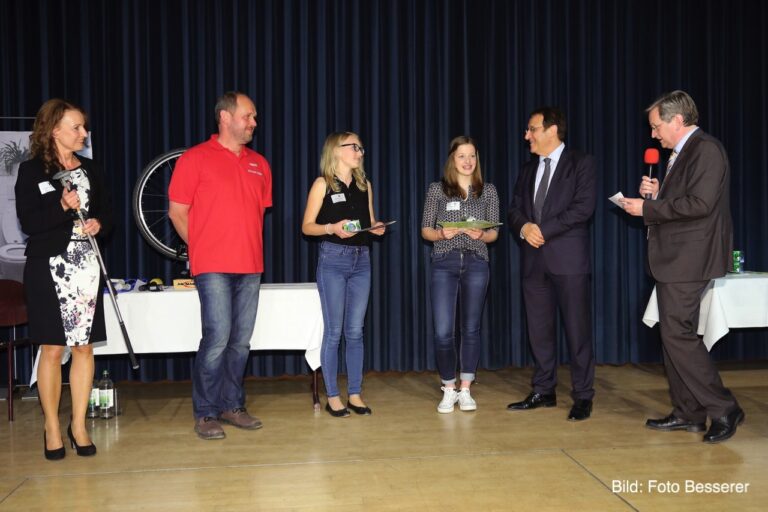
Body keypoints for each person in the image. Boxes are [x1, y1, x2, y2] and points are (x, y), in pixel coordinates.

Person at [620, 90, 743, 443]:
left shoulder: (706, 149)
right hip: (676, 258)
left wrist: (647, 209)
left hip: (691, 258)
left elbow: (700, 204)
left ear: (677, 120)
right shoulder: (684, 152)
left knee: (678, 334)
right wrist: (657, 195)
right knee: (673, 334)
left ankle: (724, 408)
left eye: (656, 126)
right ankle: (689, 412)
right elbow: (685, 202)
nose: (653, 134)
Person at [169, 91, 272, 440]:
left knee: (240, 342)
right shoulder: (195, 159)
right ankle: (206, 412)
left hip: (251, 264)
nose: (254, 122)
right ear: (225, 117)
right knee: (217, 338)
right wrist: (201, 248)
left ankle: (232, 405)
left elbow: (257, 213)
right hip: (212, 265)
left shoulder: (260, 163)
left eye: (254, 117)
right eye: (248, 116)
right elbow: (177, 212)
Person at [15, 99, 112, 459]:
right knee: (53, 349)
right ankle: (52, 427)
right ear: (55, 130)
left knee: (84, 347)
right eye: (76, 127)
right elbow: (29, 222)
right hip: (48, 267)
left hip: (86, 266)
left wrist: (99, 223)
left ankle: (79, 425)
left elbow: (108, 214)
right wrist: (60, 206)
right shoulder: (32, 171)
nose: (84, 133)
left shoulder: (92, 169)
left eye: (84, 127)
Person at [507, 107, 596, 421]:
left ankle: (583, 395)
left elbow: (583, 208)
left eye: (532, 129)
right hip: (533, 262)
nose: (526, 136)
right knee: (539, 330)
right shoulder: (527, 169)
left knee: (577, 331)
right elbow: (514, 209)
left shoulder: (581, 163)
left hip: (569, 261)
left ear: (552, 130)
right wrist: (524, 228)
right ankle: (544, 389)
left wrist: (543, 230)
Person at [301, 132, 386, 418]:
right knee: (334, 331)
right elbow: (307, 226)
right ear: (336, 150)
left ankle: (355, 394)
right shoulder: (322, 184)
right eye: (355, 147)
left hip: (362, 260)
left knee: (355, 331)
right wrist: (331, 228)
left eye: (361, 148)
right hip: (333, 260)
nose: (360, 152)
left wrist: (375, 227)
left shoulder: (365, 185)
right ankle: (333, 396)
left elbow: (368, 220)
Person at [421, 136, 499, 413]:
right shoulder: (437, 190)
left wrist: (483, 235)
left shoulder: (488, 191)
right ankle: (448, 387)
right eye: (462, 156)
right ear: (452, 160)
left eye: (472, 156)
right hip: (445, 261)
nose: (468, 161)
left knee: (471, 329)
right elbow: (425, 230)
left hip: (477, 262)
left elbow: (494, 232)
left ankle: (465, 388)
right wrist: (441, 234)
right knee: (444, 331)